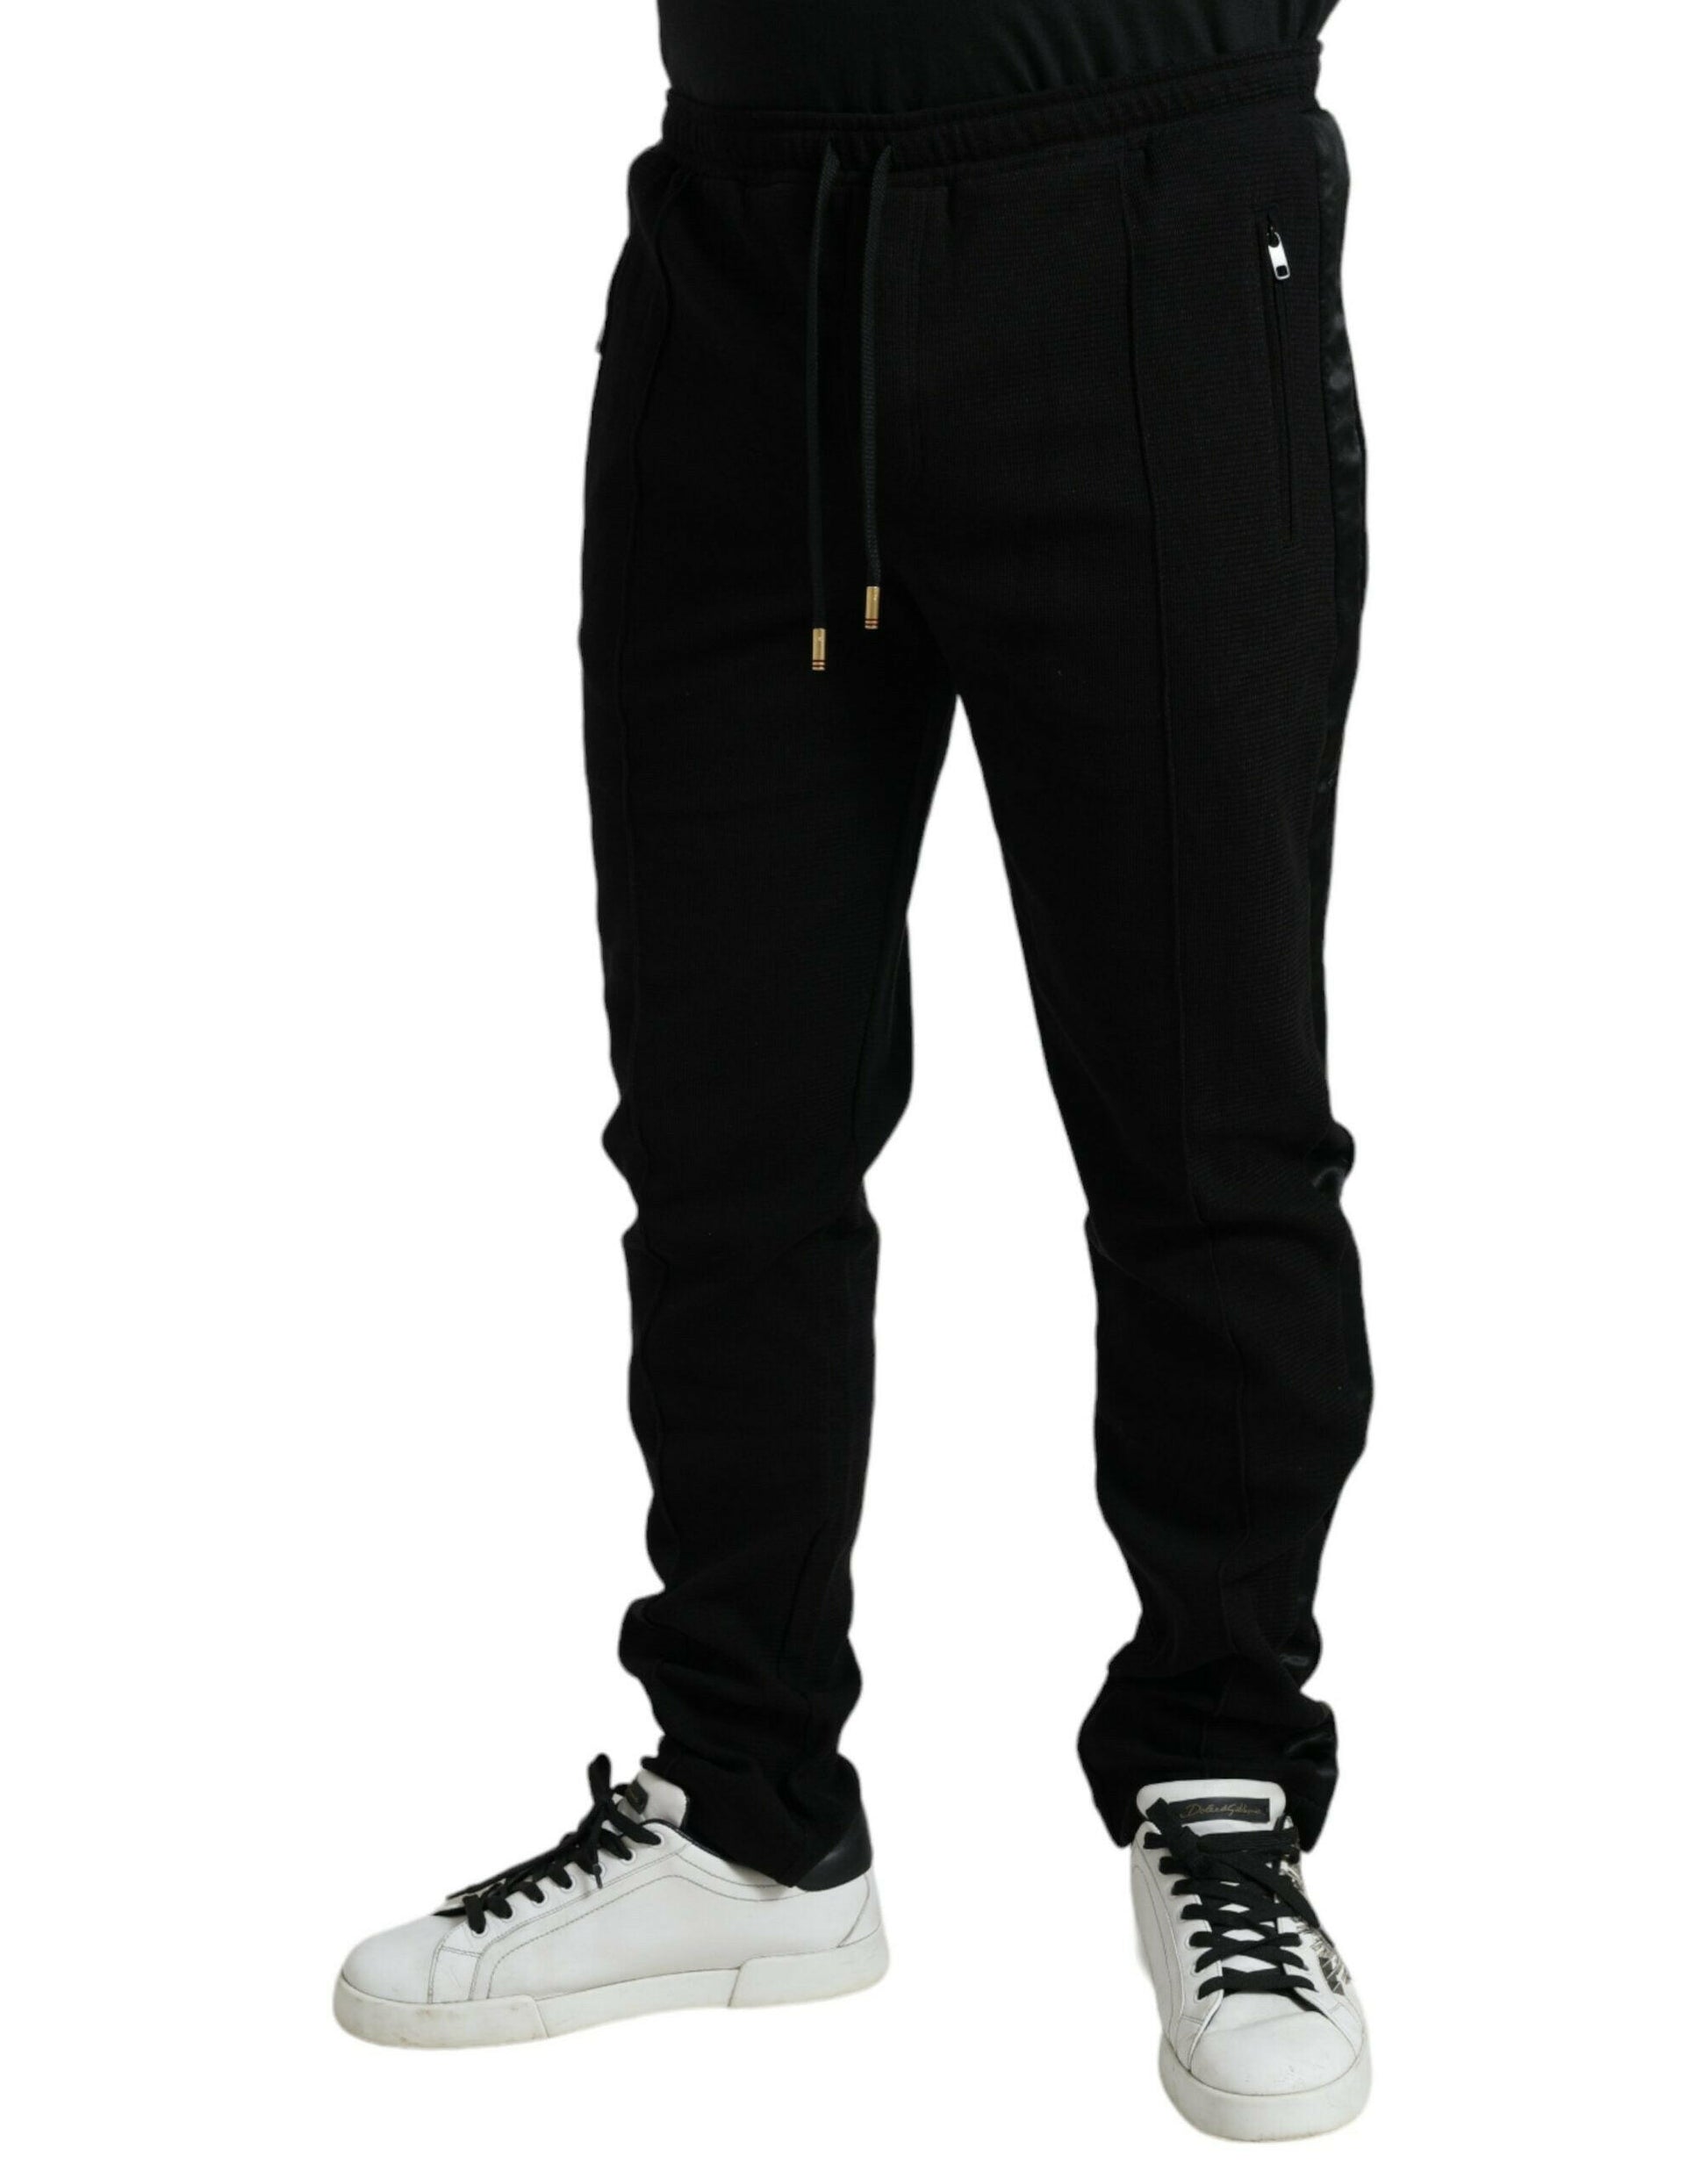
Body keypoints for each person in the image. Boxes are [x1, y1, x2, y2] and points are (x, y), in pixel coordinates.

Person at [335, 0, 1374, 2140]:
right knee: (725, 1115)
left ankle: (1222, 1778)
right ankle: (747, 1805)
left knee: (1205, 1109)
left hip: (1151, 218)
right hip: (747, 247)